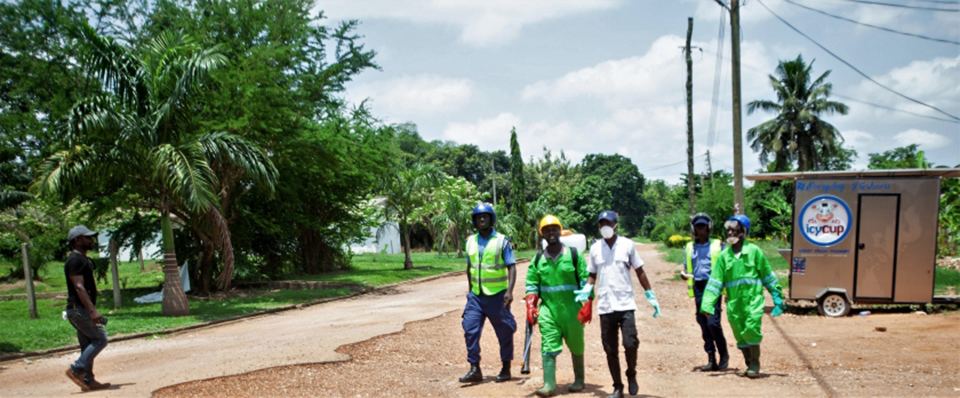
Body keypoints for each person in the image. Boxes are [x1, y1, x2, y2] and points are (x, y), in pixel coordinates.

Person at [579, 210, 660, 398]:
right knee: (610, 348)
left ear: (616, 224)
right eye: (602, 223)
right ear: (598, 226)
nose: (605, 226)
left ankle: (631, 374)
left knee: (630, 343)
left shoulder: (627, 245)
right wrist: (587, 289)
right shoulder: (595, 248)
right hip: (605, 305)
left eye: (609, 222)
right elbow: (592, 273)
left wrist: (650, 293)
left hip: (625, 304)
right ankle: (617, 387)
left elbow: (639, 269)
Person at [700, 215, 786, 378]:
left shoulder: (754, 252)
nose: (731, 232)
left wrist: (777, 296)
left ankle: (755, 364)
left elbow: (767, 275)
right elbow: (715, 282)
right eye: (729, 230)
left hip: (753, 300)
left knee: (752, 328)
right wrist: (707, 304)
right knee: (740, 334)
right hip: (735, 303)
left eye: (735, 230)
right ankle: (748, 363)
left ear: (743, 232)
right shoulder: (724, 256)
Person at [525, 215, 591, 397]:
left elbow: (586, 280)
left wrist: (588, 303)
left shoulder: (574, 255)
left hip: (573, 310)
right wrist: (530, 305)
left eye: (554, 229)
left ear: (560, 231)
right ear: (543, 234)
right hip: (549, 310)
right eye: (547, 230)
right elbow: (531, 284)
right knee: (548, 345)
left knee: (577, 346)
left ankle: (579, 380)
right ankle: (549, 385)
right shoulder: (538, 259)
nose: (551, 233)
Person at [459, 203, 518, 383]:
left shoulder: (502, 241)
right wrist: (470, 292)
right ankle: (474, 368)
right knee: (470, 329)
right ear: (475, 220)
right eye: (478, 217)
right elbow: (470, 268)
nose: (482, 219)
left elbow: (512, 267)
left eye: (485, 216)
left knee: (504, 332)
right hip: (476, 296)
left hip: (498, 296)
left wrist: (509, 291)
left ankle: (506, 367)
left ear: (491, 219)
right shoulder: (470, 241)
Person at [63, 225, 111, 392]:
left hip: (78, 309)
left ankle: (88, 380)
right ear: (77, 240)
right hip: (80, 309)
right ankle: (76, 370)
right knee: (100, 339)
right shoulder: (75, 260)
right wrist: (92, 310)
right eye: (88, 238)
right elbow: (79, 287)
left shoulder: (81, 259)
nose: (92, 240)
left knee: (88, 344)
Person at [680, 213, 729, 372]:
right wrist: (684, 273)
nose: (700, 229)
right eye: (697, 226)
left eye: (703, 225)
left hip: (713, 286)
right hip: (699, 287)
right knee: (702, 322)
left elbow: (726, 266)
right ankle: (711, 358)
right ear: (693, 229)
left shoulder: (718, 245)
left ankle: (723, 354)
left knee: (712, 322)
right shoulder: (689, 247)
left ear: (709, 227)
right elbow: (686, 267)